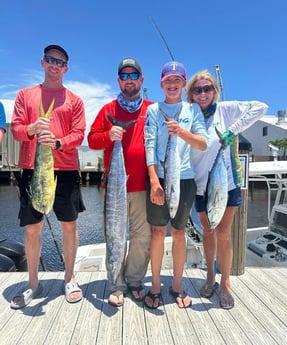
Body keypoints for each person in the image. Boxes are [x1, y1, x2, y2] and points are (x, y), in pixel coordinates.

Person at [10, 44, 86, 309]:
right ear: (42, 62)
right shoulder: (24, 95)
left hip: (64, 169)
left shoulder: (75, 100)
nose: (55, 65)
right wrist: (32, 127)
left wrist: (58, 143)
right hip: (32, 168)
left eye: (60, 62)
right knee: (33, 228)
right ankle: (33, 282)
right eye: (50, 60)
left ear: (66, 68)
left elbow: (79, 134)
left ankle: (70, 278)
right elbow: (17, 130)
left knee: (69, 224)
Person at [186, 70, 268, 309]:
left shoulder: (226, 109)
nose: (203, 94)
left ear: (215, 91)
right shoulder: (188, 114)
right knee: (207, 231)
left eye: (207, 89)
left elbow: (260, 106)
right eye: (197, 90)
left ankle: (225, 282)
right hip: (200, 184)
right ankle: (210, 276)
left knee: (223, 233)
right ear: (191, 93)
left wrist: (233, 130)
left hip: (227, 183)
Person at [88, 57, 153, 307]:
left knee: (142, 237)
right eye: (124, 76)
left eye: (133, 75)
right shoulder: (107, 110)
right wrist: (108, 135)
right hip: (114, 188)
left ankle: (135, 281)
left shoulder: (151, 109)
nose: (129, 80)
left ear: (141, 80)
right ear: (118, 80)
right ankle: (116, 283)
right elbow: (92, 139)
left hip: (142, 187)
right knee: (114, 236)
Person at [144, 61, 208, 309]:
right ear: (161, 84)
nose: (172, 85)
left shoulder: (193, 111)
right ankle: (156, 285)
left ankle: (178, 285)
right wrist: (152, 180)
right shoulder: (152, 111)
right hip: (159, 178)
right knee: (158, 232)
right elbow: (149, 145)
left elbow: (202, 143)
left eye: (177, 80)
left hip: (184, 179)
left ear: (183, 84)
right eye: (167, 80)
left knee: (179, 232)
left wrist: (180, 132)